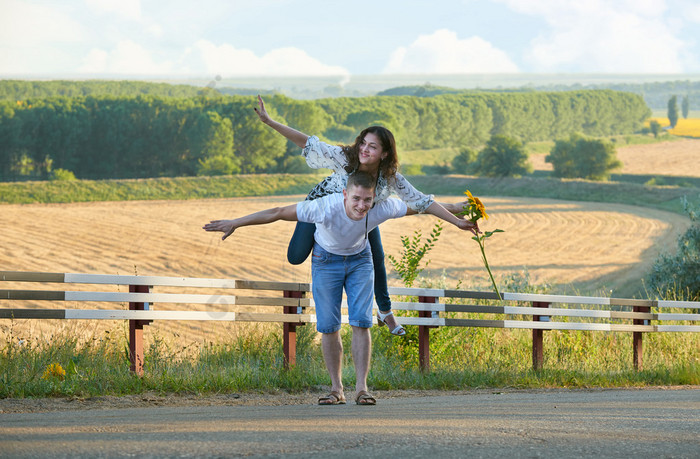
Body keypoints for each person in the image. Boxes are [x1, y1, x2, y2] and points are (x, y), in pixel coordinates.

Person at [203, 171, 477, 406]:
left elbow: (420, 205)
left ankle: (362, 389)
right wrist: (236, 222)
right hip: (326, 262)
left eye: (367, 200)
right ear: (345, 194)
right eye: (356, 199)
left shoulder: (381, 208)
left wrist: (456, 216)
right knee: (329, 326)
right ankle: (336, 389)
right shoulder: (324, 207)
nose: (361, 206)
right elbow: (277, 212)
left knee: (361, 322)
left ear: (374, 199)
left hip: (360, 261)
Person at [254, 95, 470, 336]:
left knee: (376, 256)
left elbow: (420, 202)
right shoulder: (346, 158)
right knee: (295, 257)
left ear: (385, 154)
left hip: (359, 215)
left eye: (373, 146)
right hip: (322, 211)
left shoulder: (390, 177)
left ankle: (385, 312)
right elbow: (308, 143)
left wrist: (458, 222)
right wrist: (269, 122)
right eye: (363, 143)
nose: (365, 149)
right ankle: (326, 238)